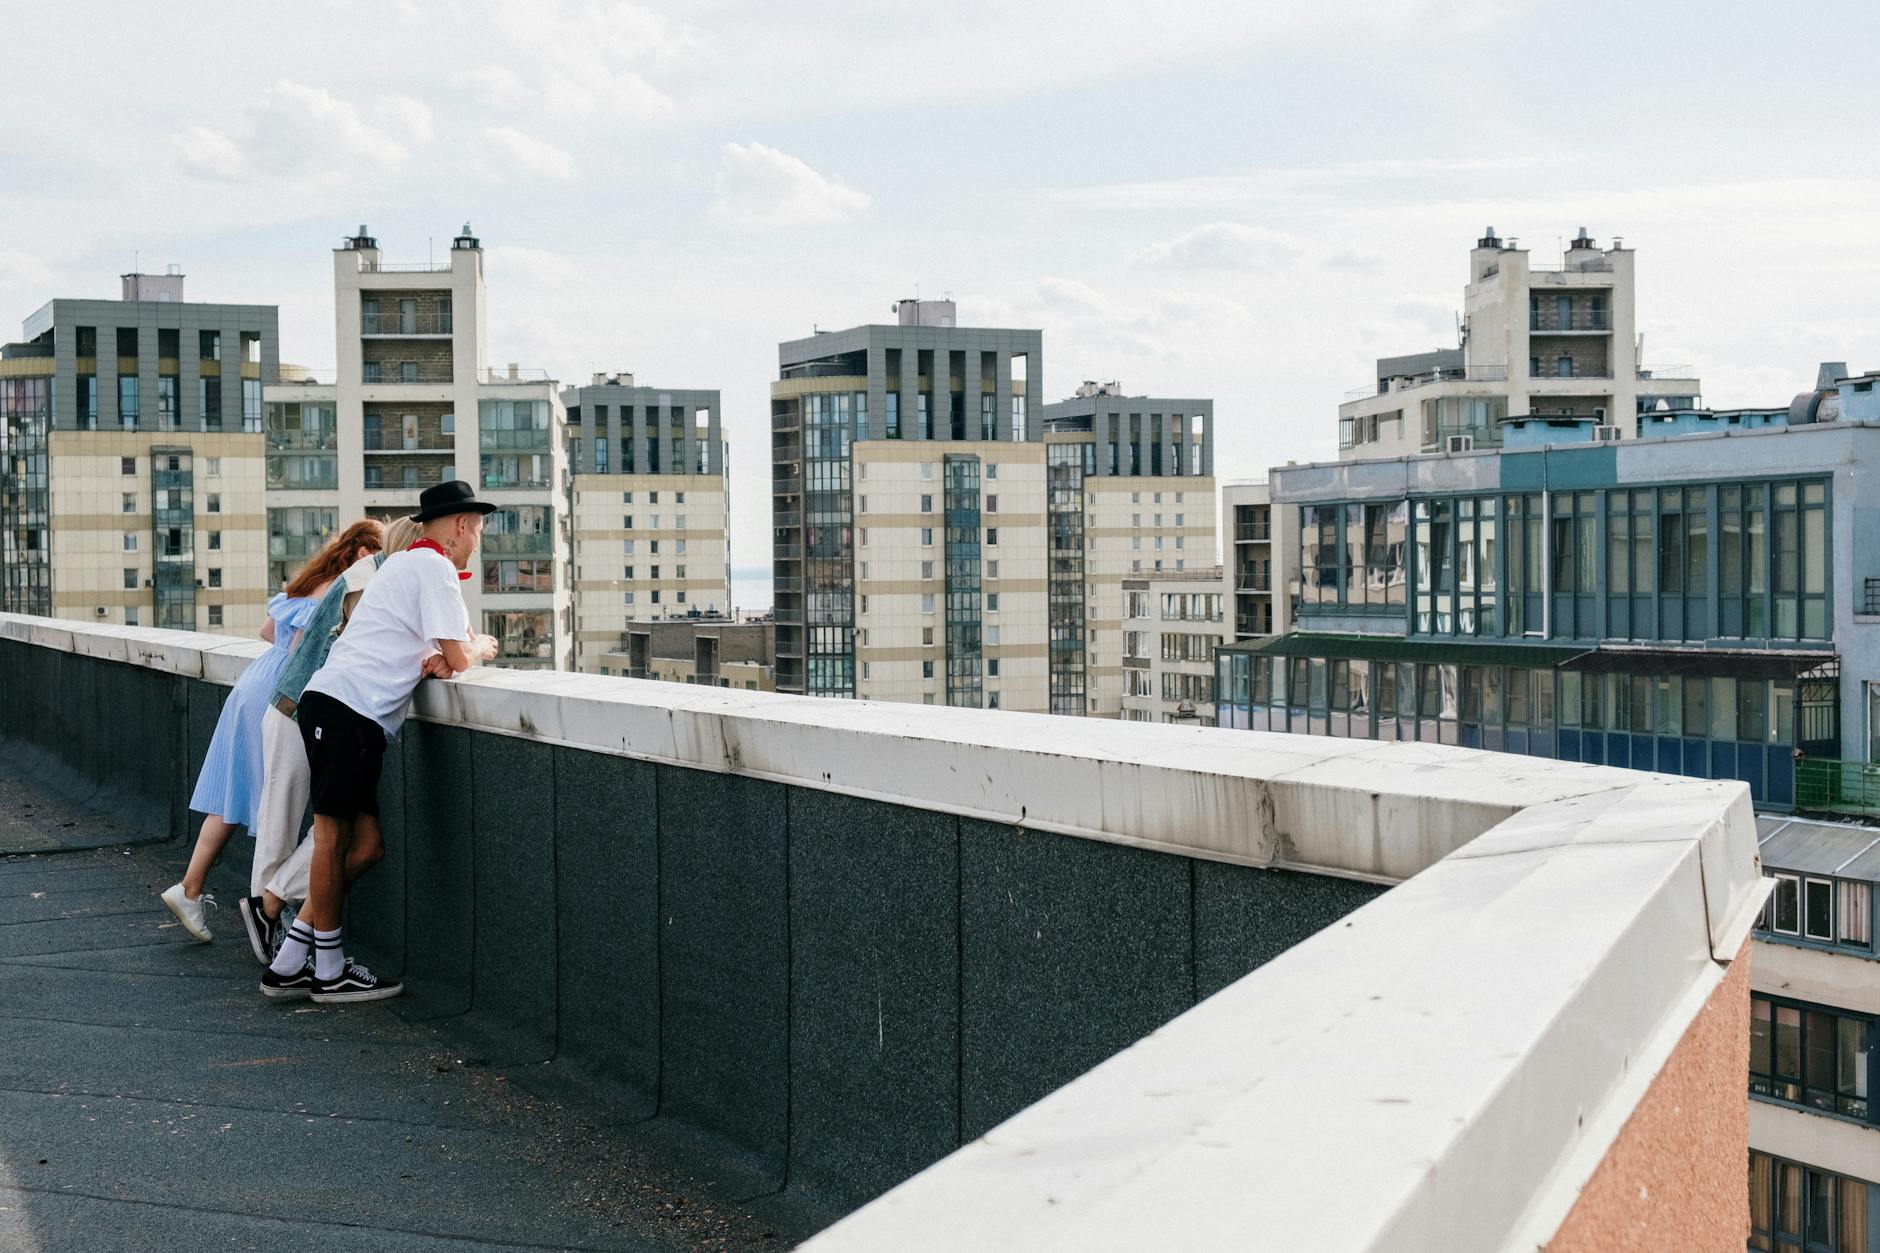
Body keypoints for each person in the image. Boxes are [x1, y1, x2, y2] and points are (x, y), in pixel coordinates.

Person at [262, 481, 498, 1004]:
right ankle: (328, 970)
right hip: (349, 711)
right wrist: (478, 645)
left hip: (344, 712)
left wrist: (445, 653)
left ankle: (289, 960)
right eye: (478, 529)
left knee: (365, 848)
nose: (478, 540)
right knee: (332, 842)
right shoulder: (432, 566)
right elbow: (458, 658)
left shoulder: (408, 565)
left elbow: (437, 652)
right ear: (460, 525)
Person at [160, 521, 384, 941]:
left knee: (235, 795)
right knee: (269, 800)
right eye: (376, 555)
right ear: (359, 555)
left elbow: (269, 631)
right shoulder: (341, 588)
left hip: (255, 682)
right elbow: (305, 646)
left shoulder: (311, 580)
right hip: (285, 691)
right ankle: (263, 905)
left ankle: (191, 889)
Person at [234, 515, 434, 963]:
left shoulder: (365, 574)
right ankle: (270, 907)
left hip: (293, 702)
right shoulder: (375, 578)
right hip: (308, 709)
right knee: (309, 830)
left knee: (281, 825)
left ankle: (269, 913)